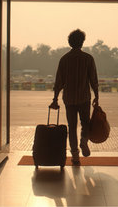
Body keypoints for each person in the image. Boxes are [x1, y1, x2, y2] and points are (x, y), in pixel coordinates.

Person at [49, 29, 99, 165]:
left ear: (70, 42)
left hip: (69, 98)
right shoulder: (88, 58)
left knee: (72, 126)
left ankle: (75, 156)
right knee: (85, 123)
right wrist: (97, 95)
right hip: (84, 97)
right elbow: (93, 79)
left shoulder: (64, 59)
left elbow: (59, 81)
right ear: (82, 42)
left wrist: (55, 98)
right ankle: (84, 141)